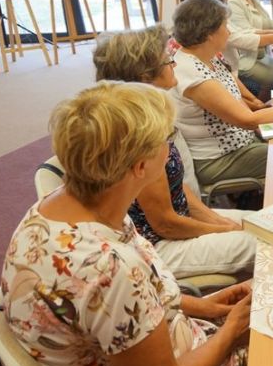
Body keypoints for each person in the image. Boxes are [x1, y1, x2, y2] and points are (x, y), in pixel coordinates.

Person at [2, 82, 250, 366]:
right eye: (167, 141)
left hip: (170, 347)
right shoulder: (109, 268)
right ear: (141, 166)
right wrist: (232, 330)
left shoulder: (55, 209)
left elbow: (133, 312)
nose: (170, 150)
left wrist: (209, 308)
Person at [93, 25, 257, 278]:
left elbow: (178, 189)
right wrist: (223, 230)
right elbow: (165, 224)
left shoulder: (152, 114)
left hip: (176, 223)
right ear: (146, 76)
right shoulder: (138, 132)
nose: (174, 63)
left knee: (271, 224)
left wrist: (217, 221)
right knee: (264, 241)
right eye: (167, 59)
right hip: (153, 246)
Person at [170, 0, 273, 188]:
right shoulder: (192, 74)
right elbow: (247, 121)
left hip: (242, 143)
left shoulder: (205, 58)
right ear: (209, 34)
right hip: (221, 158)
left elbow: (239, 104)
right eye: (225, 26)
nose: (229, 31)